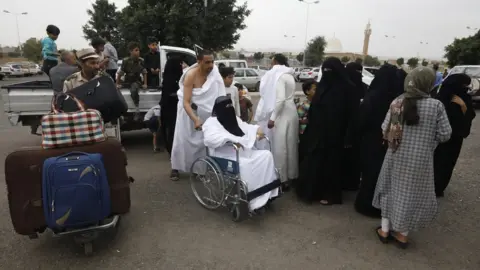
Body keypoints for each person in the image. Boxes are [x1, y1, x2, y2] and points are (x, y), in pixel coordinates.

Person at [373, 67, 452, 248]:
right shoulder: (436, 106)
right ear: (428, 83)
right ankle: (402, 236)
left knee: (389, 190)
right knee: (411, 195)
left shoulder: (397, 102)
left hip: (395, 156)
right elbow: (445, 134)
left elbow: (385, 129)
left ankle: (385, 230)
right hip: (420, 161)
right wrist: (428, 141)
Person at [295, 57, 357, 205]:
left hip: (336, 134)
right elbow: (314, 110)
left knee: (332, 165)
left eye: (330, 70)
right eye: (325, 70)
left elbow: (352, 114)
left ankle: (331, 195)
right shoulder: (322, 87)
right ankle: (314, 192)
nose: (327, 73)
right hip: (317, 133)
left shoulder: (348, 88)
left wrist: (348, 136)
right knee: (315, 163)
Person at [202, 96, 281, 211]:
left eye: (230, 106)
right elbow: (210, 139)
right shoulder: (211, 123)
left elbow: (246, 127)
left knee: (266, 155)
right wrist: (230, 139)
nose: (229, 108)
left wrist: (257, 130)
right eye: (226, 106)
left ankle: (268, 193)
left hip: (242, 151)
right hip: (224, 154)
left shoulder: (233, 118)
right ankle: (254, 200)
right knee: (247, 165)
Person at [354, 64, 404, 218]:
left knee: (370, 173)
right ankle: (382, 206)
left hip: (370, 140)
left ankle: (367, 205)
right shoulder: (398, 98)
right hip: (389, 141)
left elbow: (362, 120)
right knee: (385, 174)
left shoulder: (373, 96)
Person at [170, 50, 226, 181]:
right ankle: (176, 168)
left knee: (202, 143)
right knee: (183, 141)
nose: (211, 65)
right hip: (188, 112)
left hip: (206, 114)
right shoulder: (190, 75)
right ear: (199, 61)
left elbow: (219, 95)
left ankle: (199, 170)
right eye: (207, 62)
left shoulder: (214, 73)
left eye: (212, 62)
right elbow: (186, 102)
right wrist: (195, 119)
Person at [254, 54, 298, 191]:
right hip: (292, 113)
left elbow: (280, 100)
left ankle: (281, 179)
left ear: (275, 62)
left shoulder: (278, 76)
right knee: (291, 146)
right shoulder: (289, 75)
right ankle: (291, 176)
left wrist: (272, 118)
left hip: (282, 114)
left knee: (280, 148)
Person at [434, 74, 476, 197]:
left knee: (447, 163)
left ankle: (439, 187)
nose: (465, 88)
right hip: (439, 137)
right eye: (463, 85)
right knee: (436, 161)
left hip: (455, 138)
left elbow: (470, 115)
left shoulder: (464, 98)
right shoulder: (441, 98)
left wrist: (463, 105)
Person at [342, 62, 365, 191]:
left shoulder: (362, 88)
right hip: (347, 129)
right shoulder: (346, 88)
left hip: (356, 130)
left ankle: (352, 183)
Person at [116, 42, 148, 121]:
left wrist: (145, 84)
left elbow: (144, 73)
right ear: (131, 51)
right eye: (136, 50)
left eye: (138, 50)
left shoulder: (141, 60)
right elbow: (121, 73)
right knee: (116, 91)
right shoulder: (126, 61)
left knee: (134, 89)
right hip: (127, 80)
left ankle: (137, 109)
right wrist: (117, 83)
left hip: (136, 80)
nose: (138, 52)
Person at [160, 57, 183, 158]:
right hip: (174, 111)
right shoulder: (176, 80)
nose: (181, 66)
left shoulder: (166, 79)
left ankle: (172, 152)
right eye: (180, 64)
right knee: (174, 133)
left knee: (169, 132)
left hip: (166, 111)